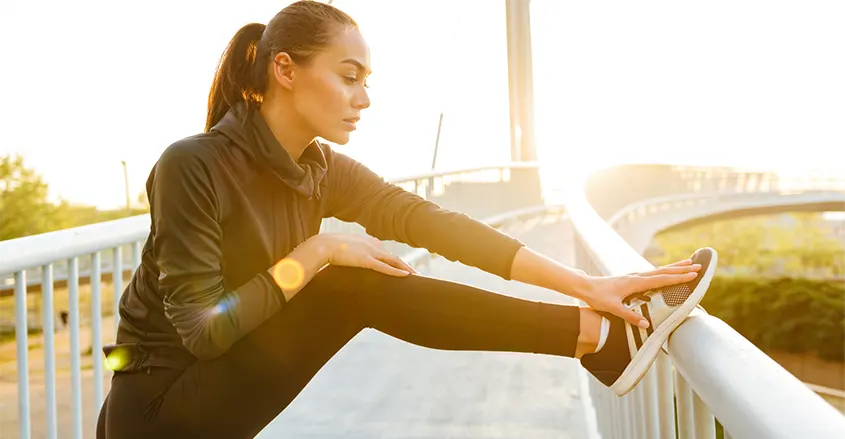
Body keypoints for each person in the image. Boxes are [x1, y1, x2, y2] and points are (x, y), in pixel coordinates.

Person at [96, 1, 714, 438]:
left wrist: (588, 284)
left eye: (367, 81)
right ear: (284, 70)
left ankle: (597, 331)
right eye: (349, 77)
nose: (364, 98)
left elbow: (431, 223)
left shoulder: (321, 169)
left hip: (222, 386)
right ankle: (596, 340)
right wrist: (315, 254)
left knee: (353, 280)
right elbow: (205, 332)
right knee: (345, 284)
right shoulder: (191, 165)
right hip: (160, 407)